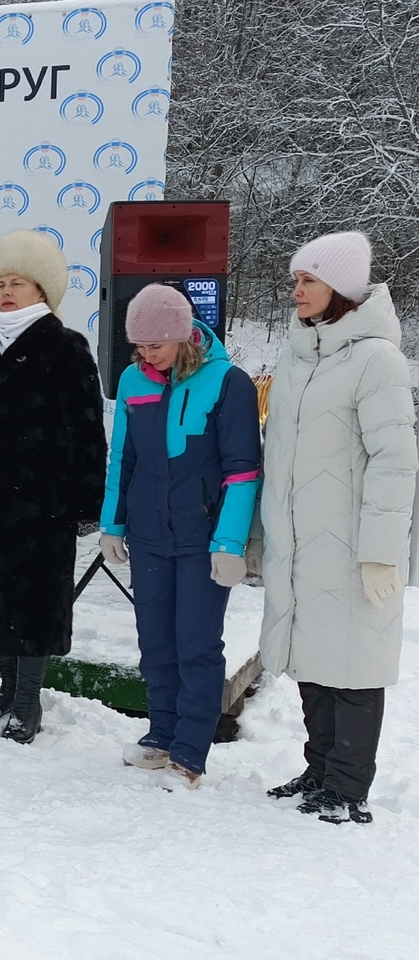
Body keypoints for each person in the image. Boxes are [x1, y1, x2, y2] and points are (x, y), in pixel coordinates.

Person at [259, 231, 416, 824]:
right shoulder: (297, 356)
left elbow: (395, 460)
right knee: (312, 657)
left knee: (351, 665)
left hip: (351, 544)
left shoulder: (377, 359)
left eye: (308, 281)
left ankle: (349, 785)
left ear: (342, 290)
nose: (295, 290)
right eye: (295, 280)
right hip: (299, 541)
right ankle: (320, 766)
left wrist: (380, 551)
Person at [98, 284, 261, 790]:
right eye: (141, 347)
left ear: (184, 336)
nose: (149, 355)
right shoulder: (132, 381)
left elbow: (242, 471)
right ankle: (161, 735)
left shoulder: (227, 382)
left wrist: (230, 543)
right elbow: (122, 458)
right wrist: (112, 523)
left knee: (196, 645)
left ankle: (190, 752)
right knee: (156, 644)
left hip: (203, 539)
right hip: (148, 536)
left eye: (157, 346)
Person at [0, 229, 107, 743]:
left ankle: (28, 702)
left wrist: (86, 503)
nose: (7, 290)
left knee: (33, 607)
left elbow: (88, 432)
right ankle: (5, 688)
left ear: (42, 290)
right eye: (0, 281)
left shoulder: (65, 347)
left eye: (17, 281)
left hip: (42, 507)